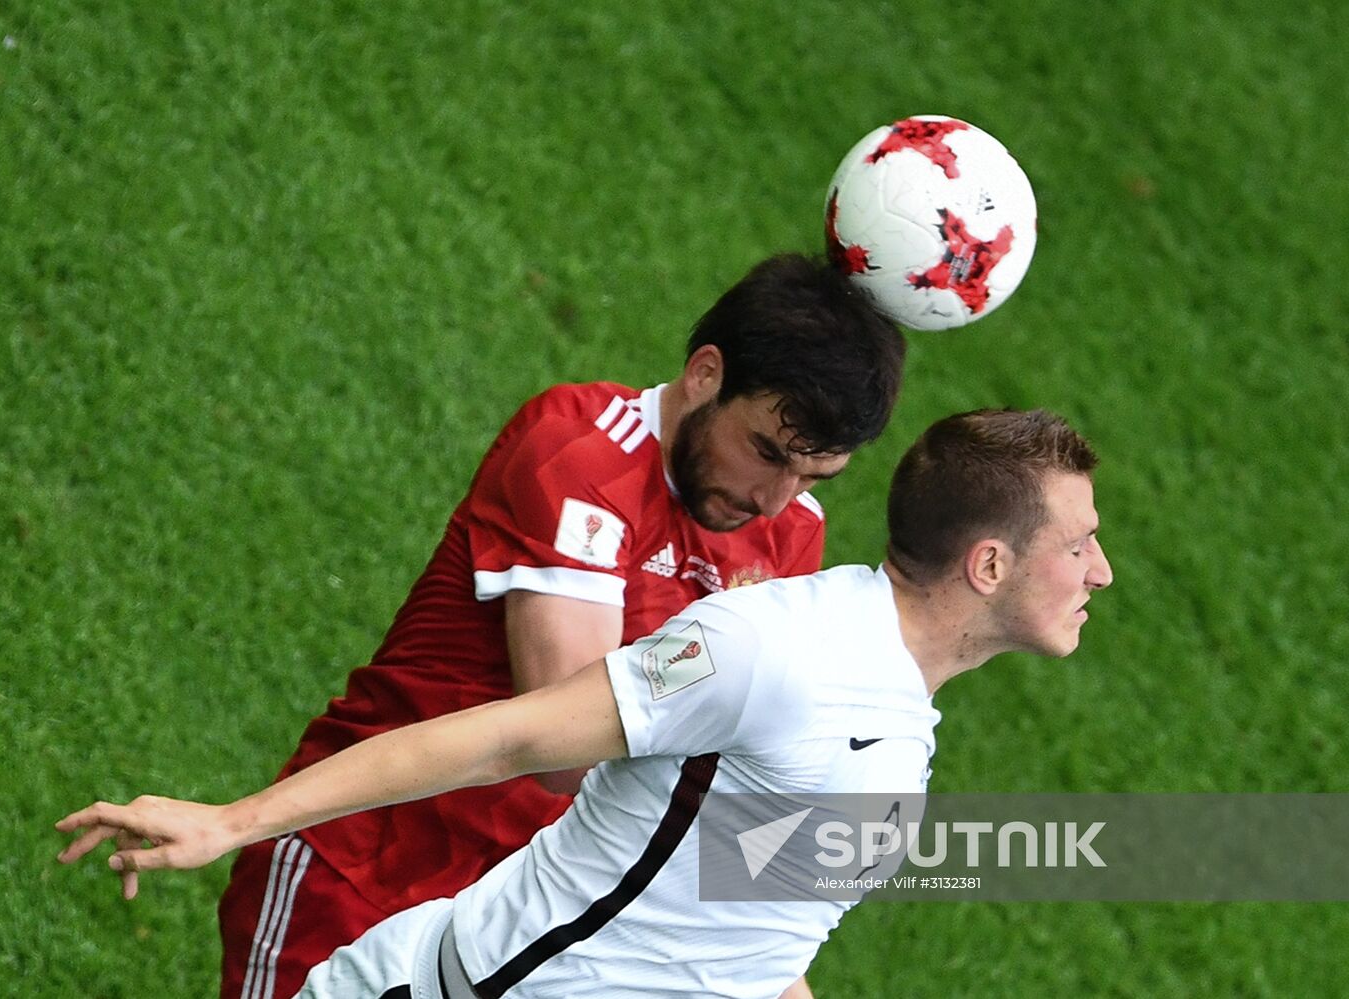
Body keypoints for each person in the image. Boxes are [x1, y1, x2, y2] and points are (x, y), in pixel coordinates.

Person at [58, 408, 1114, 999]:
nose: (1098, 573)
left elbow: (739, 939)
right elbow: (512, 735)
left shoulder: (898, 714)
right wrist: (230, 821)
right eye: (1077, 545)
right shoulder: (769, 650)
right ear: (985, 565)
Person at [210, 253, 906, 998]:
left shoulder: (789, 534)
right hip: (365, 863)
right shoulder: (579, 454)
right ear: (705, 372)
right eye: (764, 452)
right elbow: (563, 753)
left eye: (811, 477)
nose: (775, 499)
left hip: (517, 931)